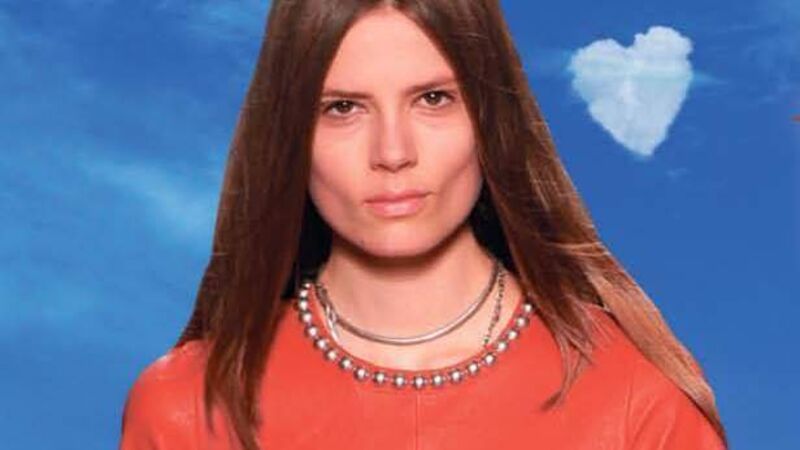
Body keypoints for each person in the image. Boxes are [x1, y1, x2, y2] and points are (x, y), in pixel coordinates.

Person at [118, 1, 728, 449]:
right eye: (343, 108)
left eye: (433, 99)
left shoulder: (635, 394)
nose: (393, 152)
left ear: (491, 119)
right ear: (288, 137)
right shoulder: (186, 409)